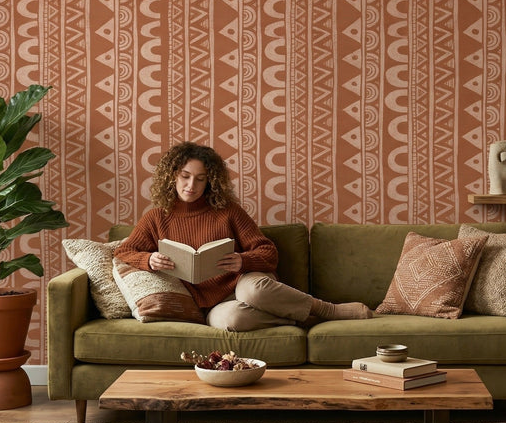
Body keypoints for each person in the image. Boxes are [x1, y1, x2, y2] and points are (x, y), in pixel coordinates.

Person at [115, 141, 372, 331]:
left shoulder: (227, 211)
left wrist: (242, 260)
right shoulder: (156, 217)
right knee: (233, 321)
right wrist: (148, 260)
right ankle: (303, 317)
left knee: (254, 293)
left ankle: (327, 309)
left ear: (209, 182)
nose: (191, 185)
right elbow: (123, 251)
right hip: (212, 306)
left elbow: (268, 252)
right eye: (185, 176)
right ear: (172, 176)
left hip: (243, 283)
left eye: (200, 179)